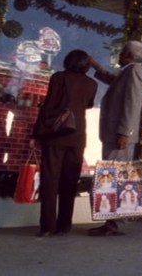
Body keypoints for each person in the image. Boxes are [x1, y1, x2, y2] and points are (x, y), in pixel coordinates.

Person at [33, 49, 98, 237]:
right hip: (77, 136)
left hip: (56, 134)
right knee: (70, 181)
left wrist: (37, 133)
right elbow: (88, 104)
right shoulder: (91, 84)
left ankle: (47, 226)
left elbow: (49, 105)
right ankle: (64, 226)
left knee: (50, 180)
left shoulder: (59, 78)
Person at [87, 41, 142, 236]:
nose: (119, 56)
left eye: (122, 53)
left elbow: (133, 102)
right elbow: (113, 80)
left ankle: (114, 224)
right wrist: (96, 66)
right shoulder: (128, 71)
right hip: (115, 134)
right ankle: (111, 222)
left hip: (120, 135)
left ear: (128, 55)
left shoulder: (135, 71)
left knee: (116, 178)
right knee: (113, 176)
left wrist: (125, 133)